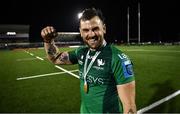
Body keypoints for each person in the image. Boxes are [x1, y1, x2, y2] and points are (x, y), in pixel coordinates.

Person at [41, 8, 136, 113]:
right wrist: (47, 41)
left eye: (95, 28)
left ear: (104, 28)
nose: (91, 34)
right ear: (81, 32)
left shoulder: (118, 59)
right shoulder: (81, 52)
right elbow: (55, 59)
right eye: (86, 30)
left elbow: (129, 105)